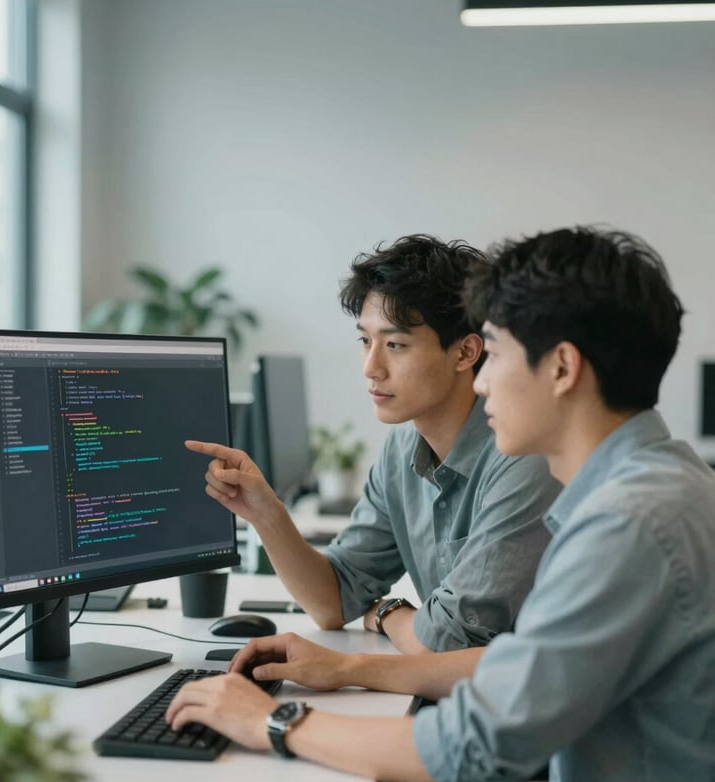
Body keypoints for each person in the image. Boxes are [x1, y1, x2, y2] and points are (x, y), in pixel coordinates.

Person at [168, 225, 715, 782]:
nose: (485, 382)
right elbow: (516, 669)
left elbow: (465, 755)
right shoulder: (667, 485)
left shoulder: (627, 524)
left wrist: (275, 721)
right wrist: (347, 669)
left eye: (492, 353)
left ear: (561, 367)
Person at [187, 233, 558, 654]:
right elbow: (334, 599)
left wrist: (385, 613)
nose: (371, 368)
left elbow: (452, 643)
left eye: (395, 345)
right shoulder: (403, 447)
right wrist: (266, 514)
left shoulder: (522, 457)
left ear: (465, 353)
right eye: (366, 341)